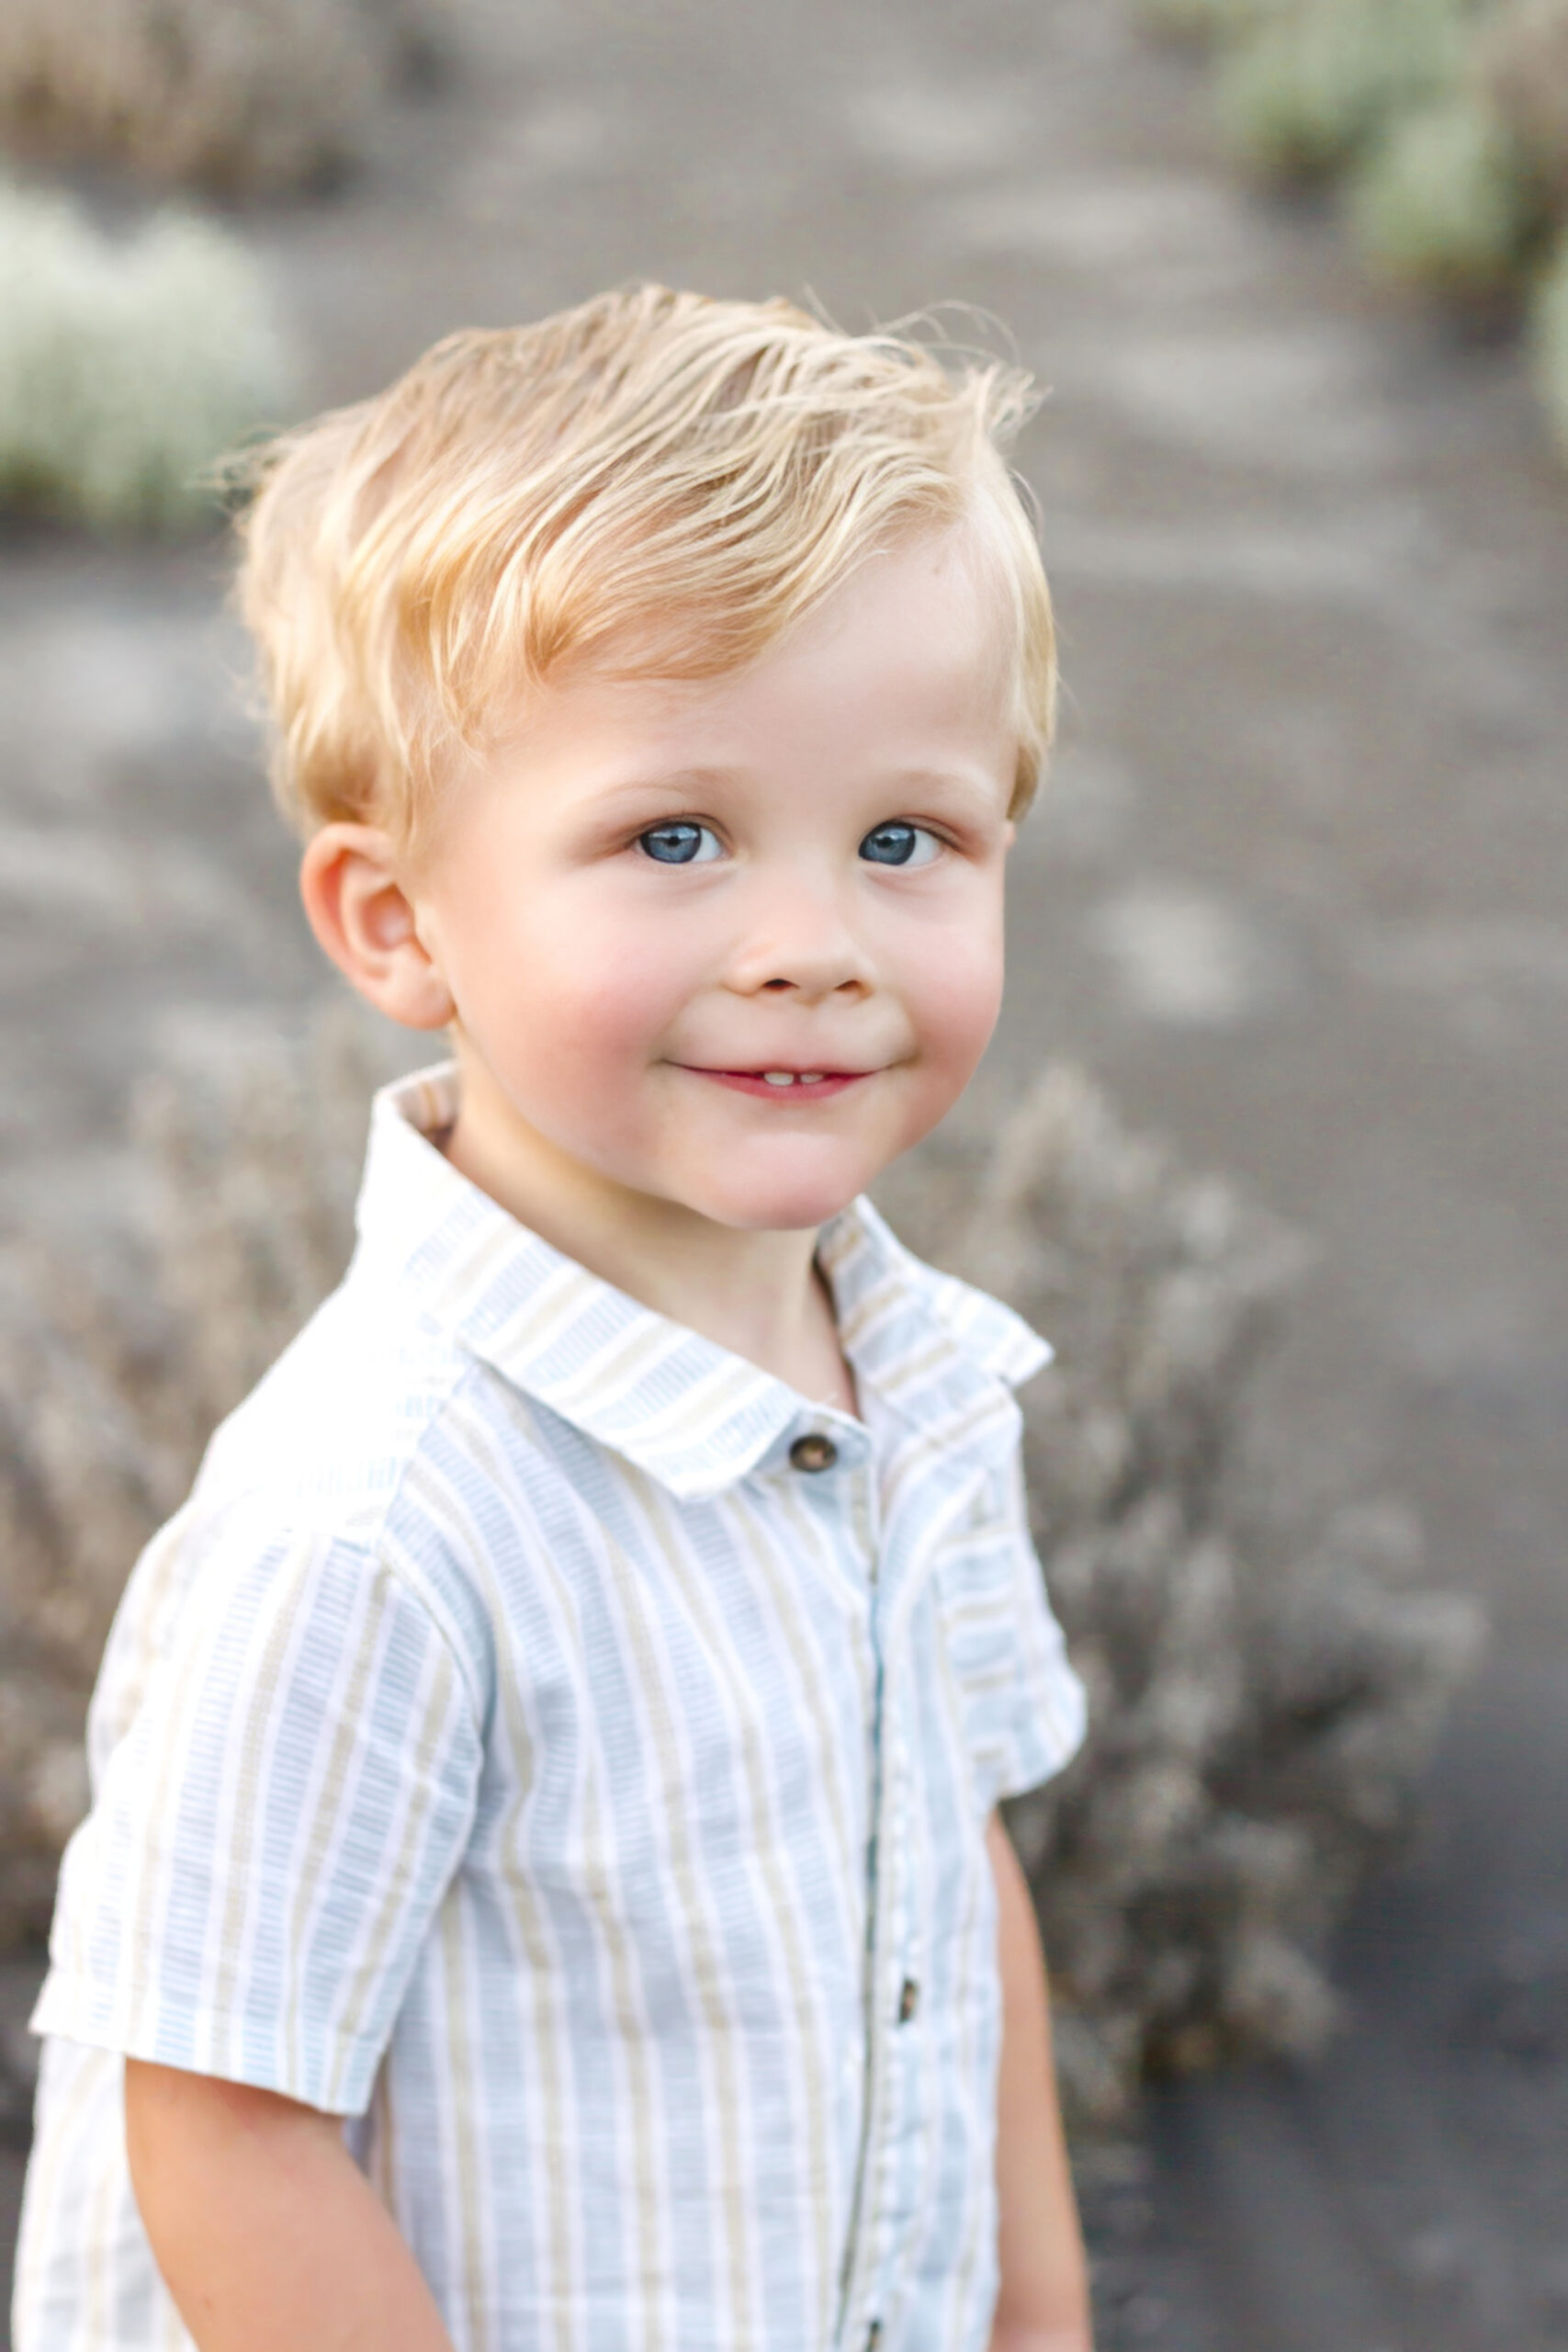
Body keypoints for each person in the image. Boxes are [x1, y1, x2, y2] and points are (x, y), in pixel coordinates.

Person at [14, 287, 1092, 2352]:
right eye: (671, 837)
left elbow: (949, 1876)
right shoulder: (382, 1524)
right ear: (396, 918)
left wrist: (1032, 2313)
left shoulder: (931, 1387)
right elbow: (226, 2114)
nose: (809, 945)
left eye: (906, 837)